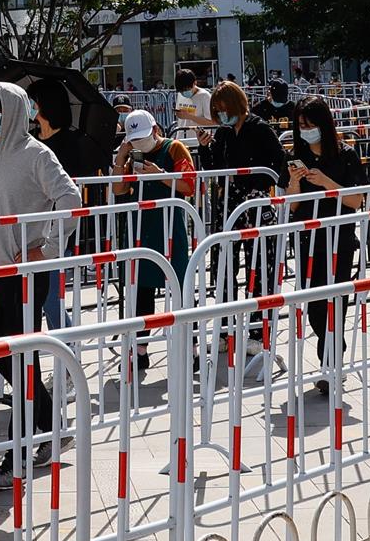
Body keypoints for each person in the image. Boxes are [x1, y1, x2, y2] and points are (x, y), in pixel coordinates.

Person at [0, 82, 80, 475]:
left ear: (13, 113)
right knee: (7, 358)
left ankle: (17, 453)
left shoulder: (38, 155)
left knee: (19, 360)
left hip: (25, 274)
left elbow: (71, 200)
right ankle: (52, 425)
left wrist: (46, 248)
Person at [287, 97, 366, 383]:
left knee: (336, 302)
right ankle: (330, 357)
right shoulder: (298, 156)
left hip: (339, 240)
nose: (305, 130)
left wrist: (327, 184)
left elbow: (357, 199)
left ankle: (330, 364)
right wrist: (294, 184)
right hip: (307, 241)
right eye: (300, 125)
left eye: (310, 124)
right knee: (314, 306)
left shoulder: (346, 155)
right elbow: (290, 206)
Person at [112, 109, 197, 372]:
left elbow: (190, 185)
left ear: (156, 130)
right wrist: (122, 157)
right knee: (140, 290)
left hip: (171, 226)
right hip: (140, 227)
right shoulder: (133, 155)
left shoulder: (175, 148)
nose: (140, 143)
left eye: (143, 137)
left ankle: (191, 348)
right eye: (134, 139)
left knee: (181, 285)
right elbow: (118, 189)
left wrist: (161, 173)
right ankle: (140, 350)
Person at [27, 79, 114, 325]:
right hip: (33, 226)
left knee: (50, 298)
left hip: (58, 231)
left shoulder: (71, 143)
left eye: (32, 101)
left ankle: (69, 351)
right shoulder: (30, 140)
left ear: (44, 105)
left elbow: (70, 188)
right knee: (38, 298)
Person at [203, 82, 289, 300]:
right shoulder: (224, 132)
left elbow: (280, 161)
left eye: (224, 109)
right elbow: (213, 167)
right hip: (229, 203)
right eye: (218, 111)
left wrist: (262, 182)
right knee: (225, 258)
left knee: (259, 260)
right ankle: (226, 316)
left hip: (255, 202)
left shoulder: (259, 127)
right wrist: (204, 147)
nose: (222, 114)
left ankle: (259, 319)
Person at [173, 68, 213, 154]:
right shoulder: (180, 94)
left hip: (198, 142)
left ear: (195, 83)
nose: (184, 92)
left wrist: (190, 116)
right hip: (182, 140)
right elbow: (181, 115)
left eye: (187, 89)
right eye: (181, 90)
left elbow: (212, 121)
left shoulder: (204, 96)